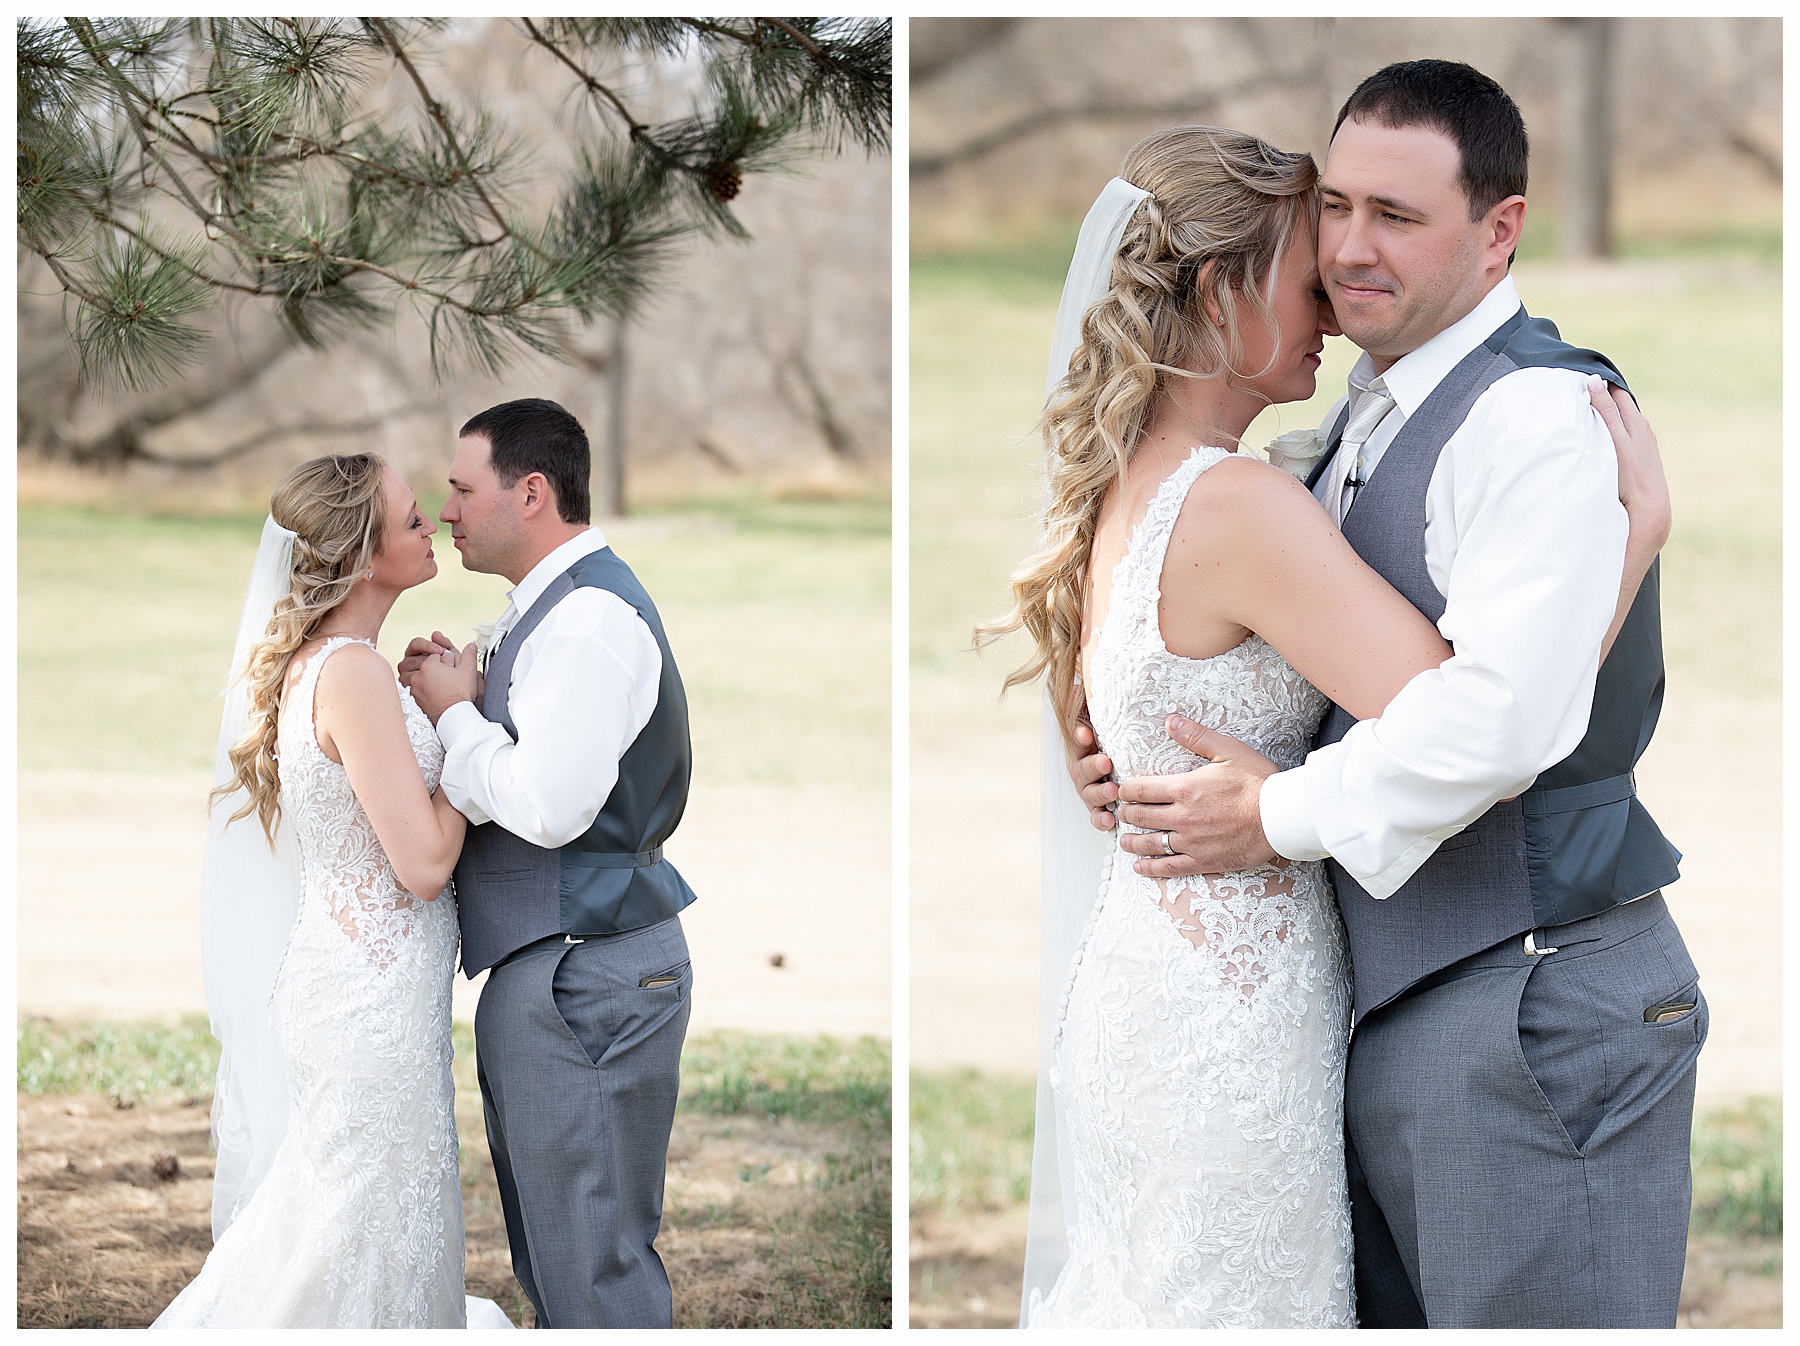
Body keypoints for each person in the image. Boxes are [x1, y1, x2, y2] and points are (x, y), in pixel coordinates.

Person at [1071, 63, 1702, 1328]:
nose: (1349, 251)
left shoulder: (1532, 418)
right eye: (1336, 212)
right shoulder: (1347, 419)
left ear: (1500, 228)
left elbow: (1500, 716)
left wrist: (1278, 810)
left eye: (1396, 218)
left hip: (1531, 999)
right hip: (1371, 1013)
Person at [155, 455, 510, 1328]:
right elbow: (424, 864)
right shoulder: (348, 674)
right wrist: (467, 727)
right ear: (359, 554)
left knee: (365, 1221)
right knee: (356, 1225)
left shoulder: (351, 666)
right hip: (367, 1005)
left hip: (366, 990)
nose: (432, 523)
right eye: (411, 516)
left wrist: (427, 707)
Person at [401, 398, 697, 1330]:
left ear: (530, 493)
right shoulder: (551, 614)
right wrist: (479, 699)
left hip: (588, 971)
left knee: (593, 1266)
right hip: (564, 963)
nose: (446, 510)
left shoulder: (586, 623)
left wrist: (455, 718)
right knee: (559, 1257)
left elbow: (549, 805)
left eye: (459, 488)